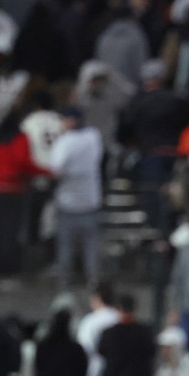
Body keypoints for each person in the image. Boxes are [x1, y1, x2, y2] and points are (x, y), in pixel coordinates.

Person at [50, 107, 104, 287]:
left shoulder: (65, 142)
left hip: (68, 202)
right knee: (91, 246)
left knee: (66, 246)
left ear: (71, 120)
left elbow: (56, 168)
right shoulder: (93, 136)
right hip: (90, 200)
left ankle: (65, 281)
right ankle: (93, 279)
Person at [98, 294, 156, 376]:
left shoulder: (109, 333)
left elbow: (101, 351)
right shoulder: (145, 332)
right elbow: (151, 352)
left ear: (119, 309)